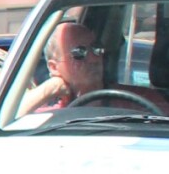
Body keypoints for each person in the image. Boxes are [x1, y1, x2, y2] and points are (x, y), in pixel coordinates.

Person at [15, 16, 165, 114]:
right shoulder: (50, 114)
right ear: (54, 67)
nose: (94, 58)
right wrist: (51, 87)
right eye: (79, 53)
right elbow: (5, 122)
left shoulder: (140, 101)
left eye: (96, 48)